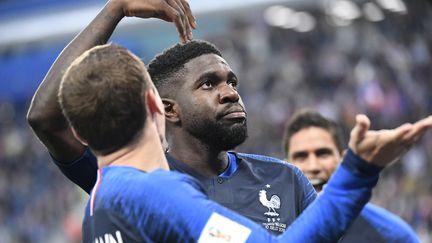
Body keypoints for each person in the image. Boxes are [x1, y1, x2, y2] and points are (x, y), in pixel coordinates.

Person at [26, 0, 432, 235]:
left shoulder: (284, 180)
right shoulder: (140, 181)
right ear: (166, 108)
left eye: (231, 80)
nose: (230, 91)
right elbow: (45, 116)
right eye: (208, 84)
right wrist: (115, 8)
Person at [283, 110, 420, 242]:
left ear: (342, 161)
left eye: (323, 154)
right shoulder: (265, 230)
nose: (313, 166)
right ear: (284, 167)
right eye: (301, 157)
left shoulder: (392, 235)